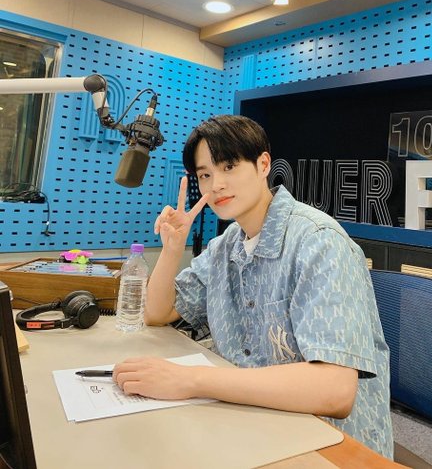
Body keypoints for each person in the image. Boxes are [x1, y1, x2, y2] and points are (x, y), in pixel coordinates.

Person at [113, 115, 393, 458]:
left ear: (263, 164)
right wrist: (173, 248)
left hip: (331, 444)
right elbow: (158, 313)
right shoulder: (227, 244)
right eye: (205, 174)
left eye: (229, 166)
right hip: (252, 422)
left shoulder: (319, 242)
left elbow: (335, 390)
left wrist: (190, 379)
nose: (216, 185)